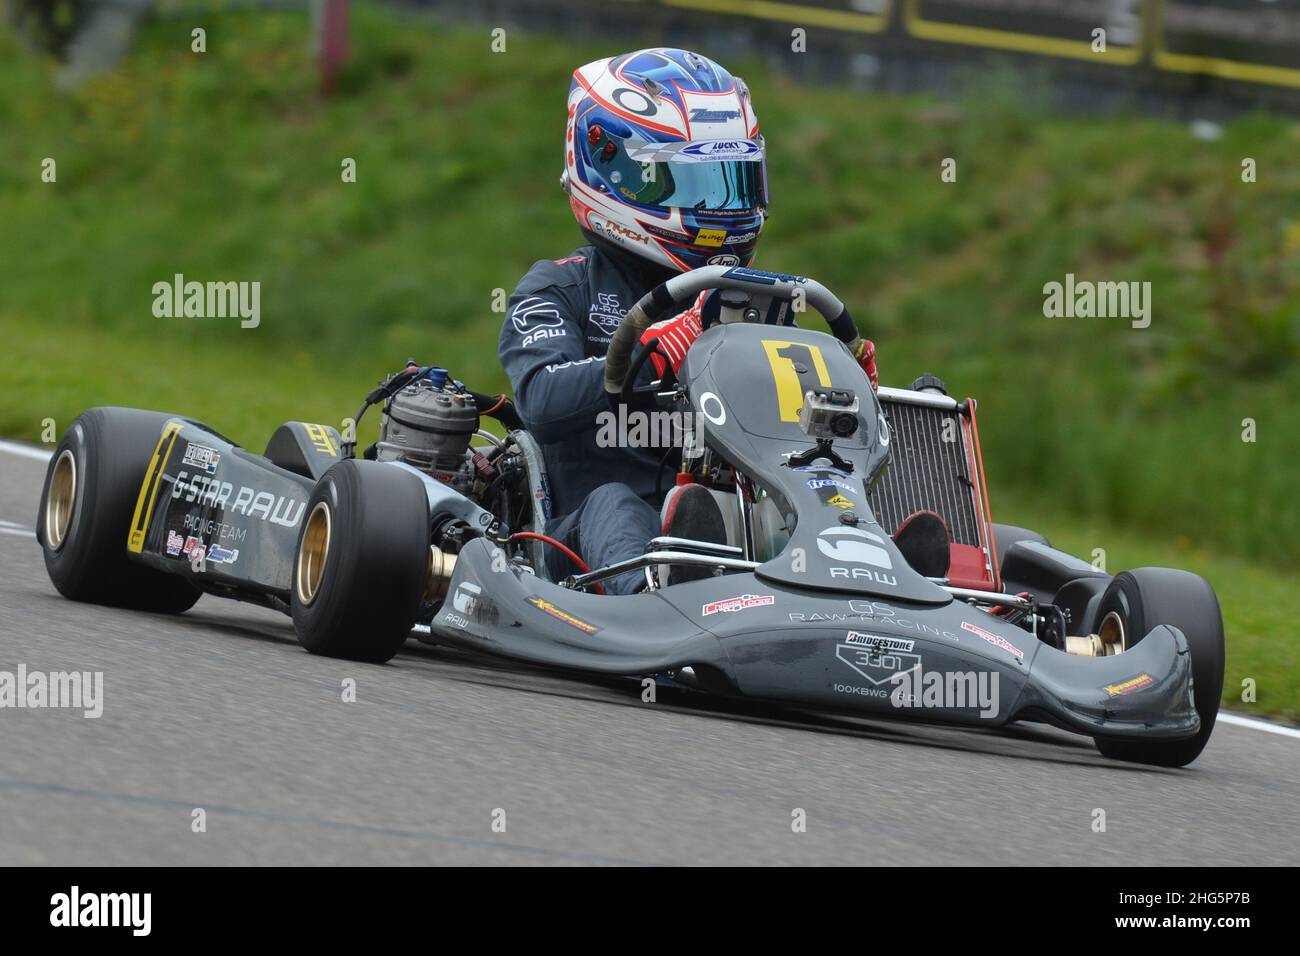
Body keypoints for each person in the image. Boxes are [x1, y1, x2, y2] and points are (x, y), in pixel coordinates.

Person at [499, 48, 879, 594]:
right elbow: (540, 400)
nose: (723, 209)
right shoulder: (561, 287)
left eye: (734, 183)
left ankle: (889, 572)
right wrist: (646, 353)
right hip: (576, 536)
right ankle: (653, 593)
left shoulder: (751, 305)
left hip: (729, 525)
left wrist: (846, 392)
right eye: (697, 185)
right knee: (617, 505)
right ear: (615, 174)